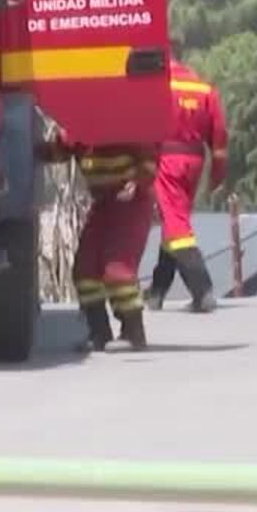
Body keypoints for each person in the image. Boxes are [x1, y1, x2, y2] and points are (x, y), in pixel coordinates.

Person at [41, 130, 158, 352]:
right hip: (103, 204)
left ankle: (133, 332)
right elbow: (55, 153)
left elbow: (150, 161)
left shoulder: (127, 127)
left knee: (117, 270)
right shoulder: (75, 133)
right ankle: (98, 332)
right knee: (85, 271)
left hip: (131, 204)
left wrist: (137, 181)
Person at [145, 59, 230, 313]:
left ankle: (202, 290)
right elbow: (220, 139)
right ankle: (157, 291)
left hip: (166, 159)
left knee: (177, 226)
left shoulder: (156, 87)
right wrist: (217, 176)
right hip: (194, 162)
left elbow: (140, 127)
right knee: (174, 221)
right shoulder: (204, 90)